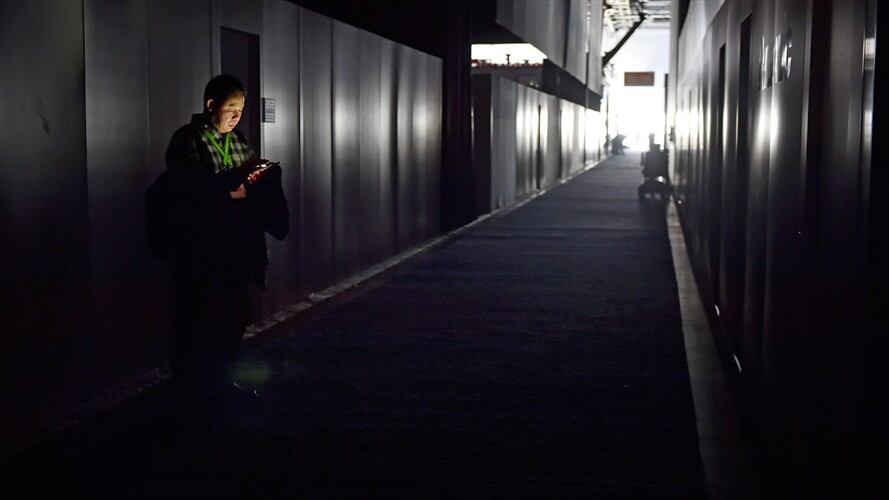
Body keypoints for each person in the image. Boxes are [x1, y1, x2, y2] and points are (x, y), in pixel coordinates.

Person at [163, 74, 289, 424]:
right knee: (194, 322)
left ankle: (222, 382)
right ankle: (190, 394)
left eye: (241, 109)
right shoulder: (187, 140)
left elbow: (237, 188)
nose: (236, 116)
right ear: (210, 106)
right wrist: (237, 188)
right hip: (198, 253)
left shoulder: (239, 140)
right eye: (231, 108)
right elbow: (193, 192)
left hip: (235, 250)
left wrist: (250, 182)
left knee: (232, 319)